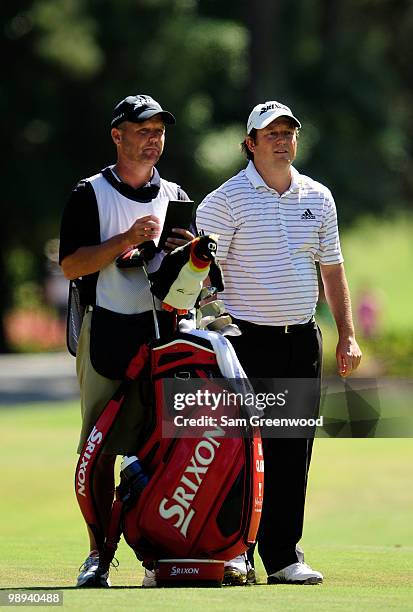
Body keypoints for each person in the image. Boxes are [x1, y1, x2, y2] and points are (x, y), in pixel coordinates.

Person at [196, 100, 362, 585]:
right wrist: (213, 333)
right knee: (240, 451)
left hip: (300, 340)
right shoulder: (224, 201)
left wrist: (347, 335)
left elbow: (332, 270)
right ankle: (233, 552)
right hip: (244, 343)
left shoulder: (318, 197)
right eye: (270, 133)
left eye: (288, 131)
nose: (281, 139)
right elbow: (202, 275)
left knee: (293, 451)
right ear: (250, 143)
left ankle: (283, 555)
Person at [59, 94, 193, 588]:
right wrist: (126, 239)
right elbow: (72, 266)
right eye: (142, 129)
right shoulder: (89, 193)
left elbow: (183, 278)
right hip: (106, 328)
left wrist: (186, 257)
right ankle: (98, 554)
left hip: (163, 333)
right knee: (98, 446)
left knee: (164, 446)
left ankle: (158, 549)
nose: (153, 138)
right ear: (117, 136)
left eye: (159, 130)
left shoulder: (175, 194)